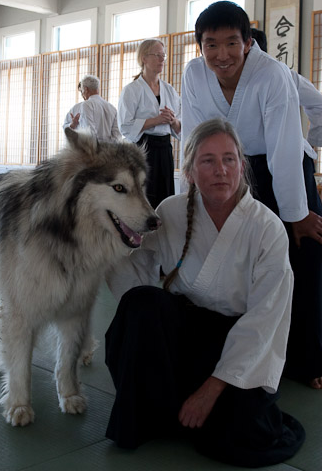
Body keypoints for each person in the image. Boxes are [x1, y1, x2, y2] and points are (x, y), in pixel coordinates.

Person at [105, 119, 305, 467]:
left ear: (241, 166)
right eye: (208, 160)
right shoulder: (170, 211)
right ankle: (160, 406)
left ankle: (184, 404)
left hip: (237, 345)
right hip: (182, 333)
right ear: (190, 171)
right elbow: (127, 258)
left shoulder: (267, 229)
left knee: (244, 435)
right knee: (142, 303)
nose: (220, 170)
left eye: (229, 159)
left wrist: (212, 389)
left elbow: (264, 321)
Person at [181, 1, 322, 389]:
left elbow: (284, 147)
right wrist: (191, 191)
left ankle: (307, 359)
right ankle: (243, 355)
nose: (222, 55)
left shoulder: (271, 74)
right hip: (229, 169)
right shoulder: (194, 74)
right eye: (211, 45)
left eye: (231, 43)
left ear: (247, 42)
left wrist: (296, 214)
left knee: (301, 257)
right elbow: (193, 135)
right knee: (239, 260)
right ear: (200, 46)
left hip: (282, 169)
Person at [118, 39, 181, 209]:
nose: (162, 59)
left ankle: (165, 225)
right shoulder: (132, 90)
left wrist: (173, 120)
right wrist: (155, 120)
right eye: (157, 55)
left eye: (163, 56)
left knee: (165, 194)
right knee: (144, 194)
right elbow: (125, 125)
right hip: (143, 149)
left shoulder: (169, 90)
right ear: (144, 58)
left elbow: (181, 126)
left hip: (165, 148)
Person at [251, 27, 322, 148]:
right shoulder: (223, 78)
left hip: (287, 148)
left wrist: (312, 143)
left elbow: (318, 103)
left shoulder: (284, 75)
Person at [63, 75, 121, 142]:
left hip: (89, 147)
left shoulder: (84, 105)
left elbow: (89, 133)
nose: (82, 94)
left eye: (82, 91)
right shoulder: (112, 108)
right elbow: (117, 135)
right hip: (108, 147)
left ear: (86, 89)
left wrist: (72, 125)